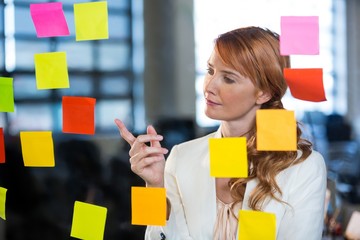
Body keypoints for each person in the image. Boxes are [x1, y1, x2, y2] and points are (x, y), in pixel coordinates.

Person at [115, 26, 327, 240]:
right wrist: (153, 185)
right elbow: (155, 236)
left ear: (264, 93)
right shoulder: (181, 156)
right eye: (210, 71)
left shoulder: (304, 167)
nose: (209, 86)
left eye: (228, 78)